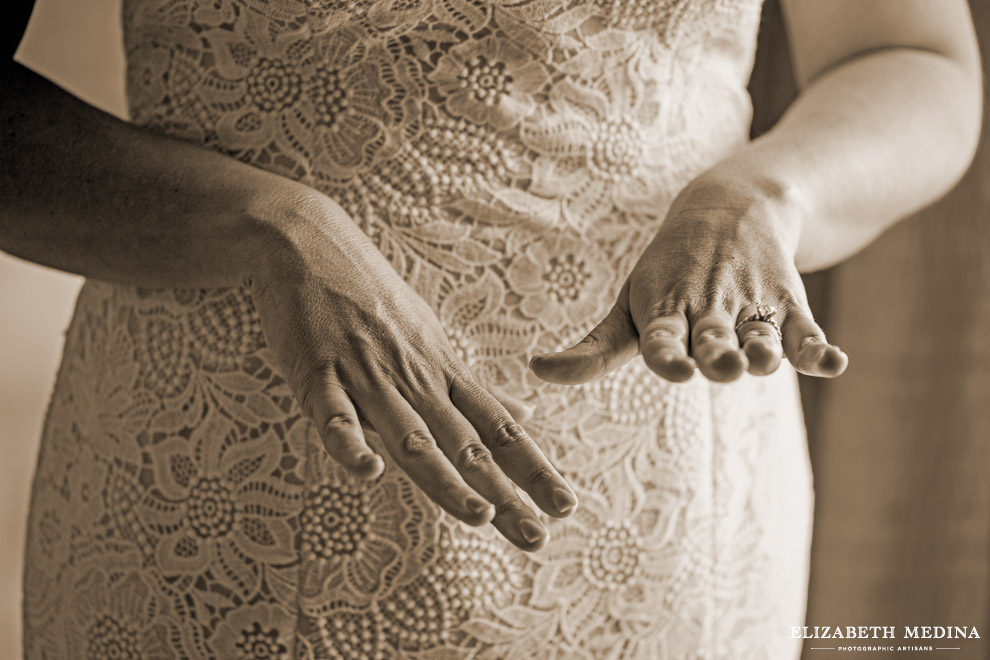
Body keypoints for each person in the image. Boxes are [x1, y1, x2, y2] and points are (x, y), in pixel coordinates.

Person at [1, 0, 981, 657]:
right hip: (223, 478)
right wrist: (272, 226)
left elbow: (908, 54)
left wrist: (770, 193)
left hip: (663, 486)